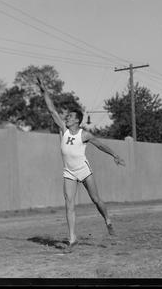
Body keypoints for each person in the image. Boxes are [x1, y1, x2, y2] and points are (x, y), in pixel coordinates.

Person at [36, 76, 125, 252]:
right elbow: (52, 110)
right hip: (69, 172)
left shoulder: (84, 135)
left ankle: (108, 220)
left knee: (96, 199)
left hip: (84, 170)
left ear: (77, 120)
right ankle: (72, 239)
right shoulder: (64, 129)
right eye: (67, 117)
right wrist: (45, 92)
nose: (66, 118)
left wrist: (114, 154)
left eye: (70, 117)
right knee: (69, 204)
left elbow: (100, 145)